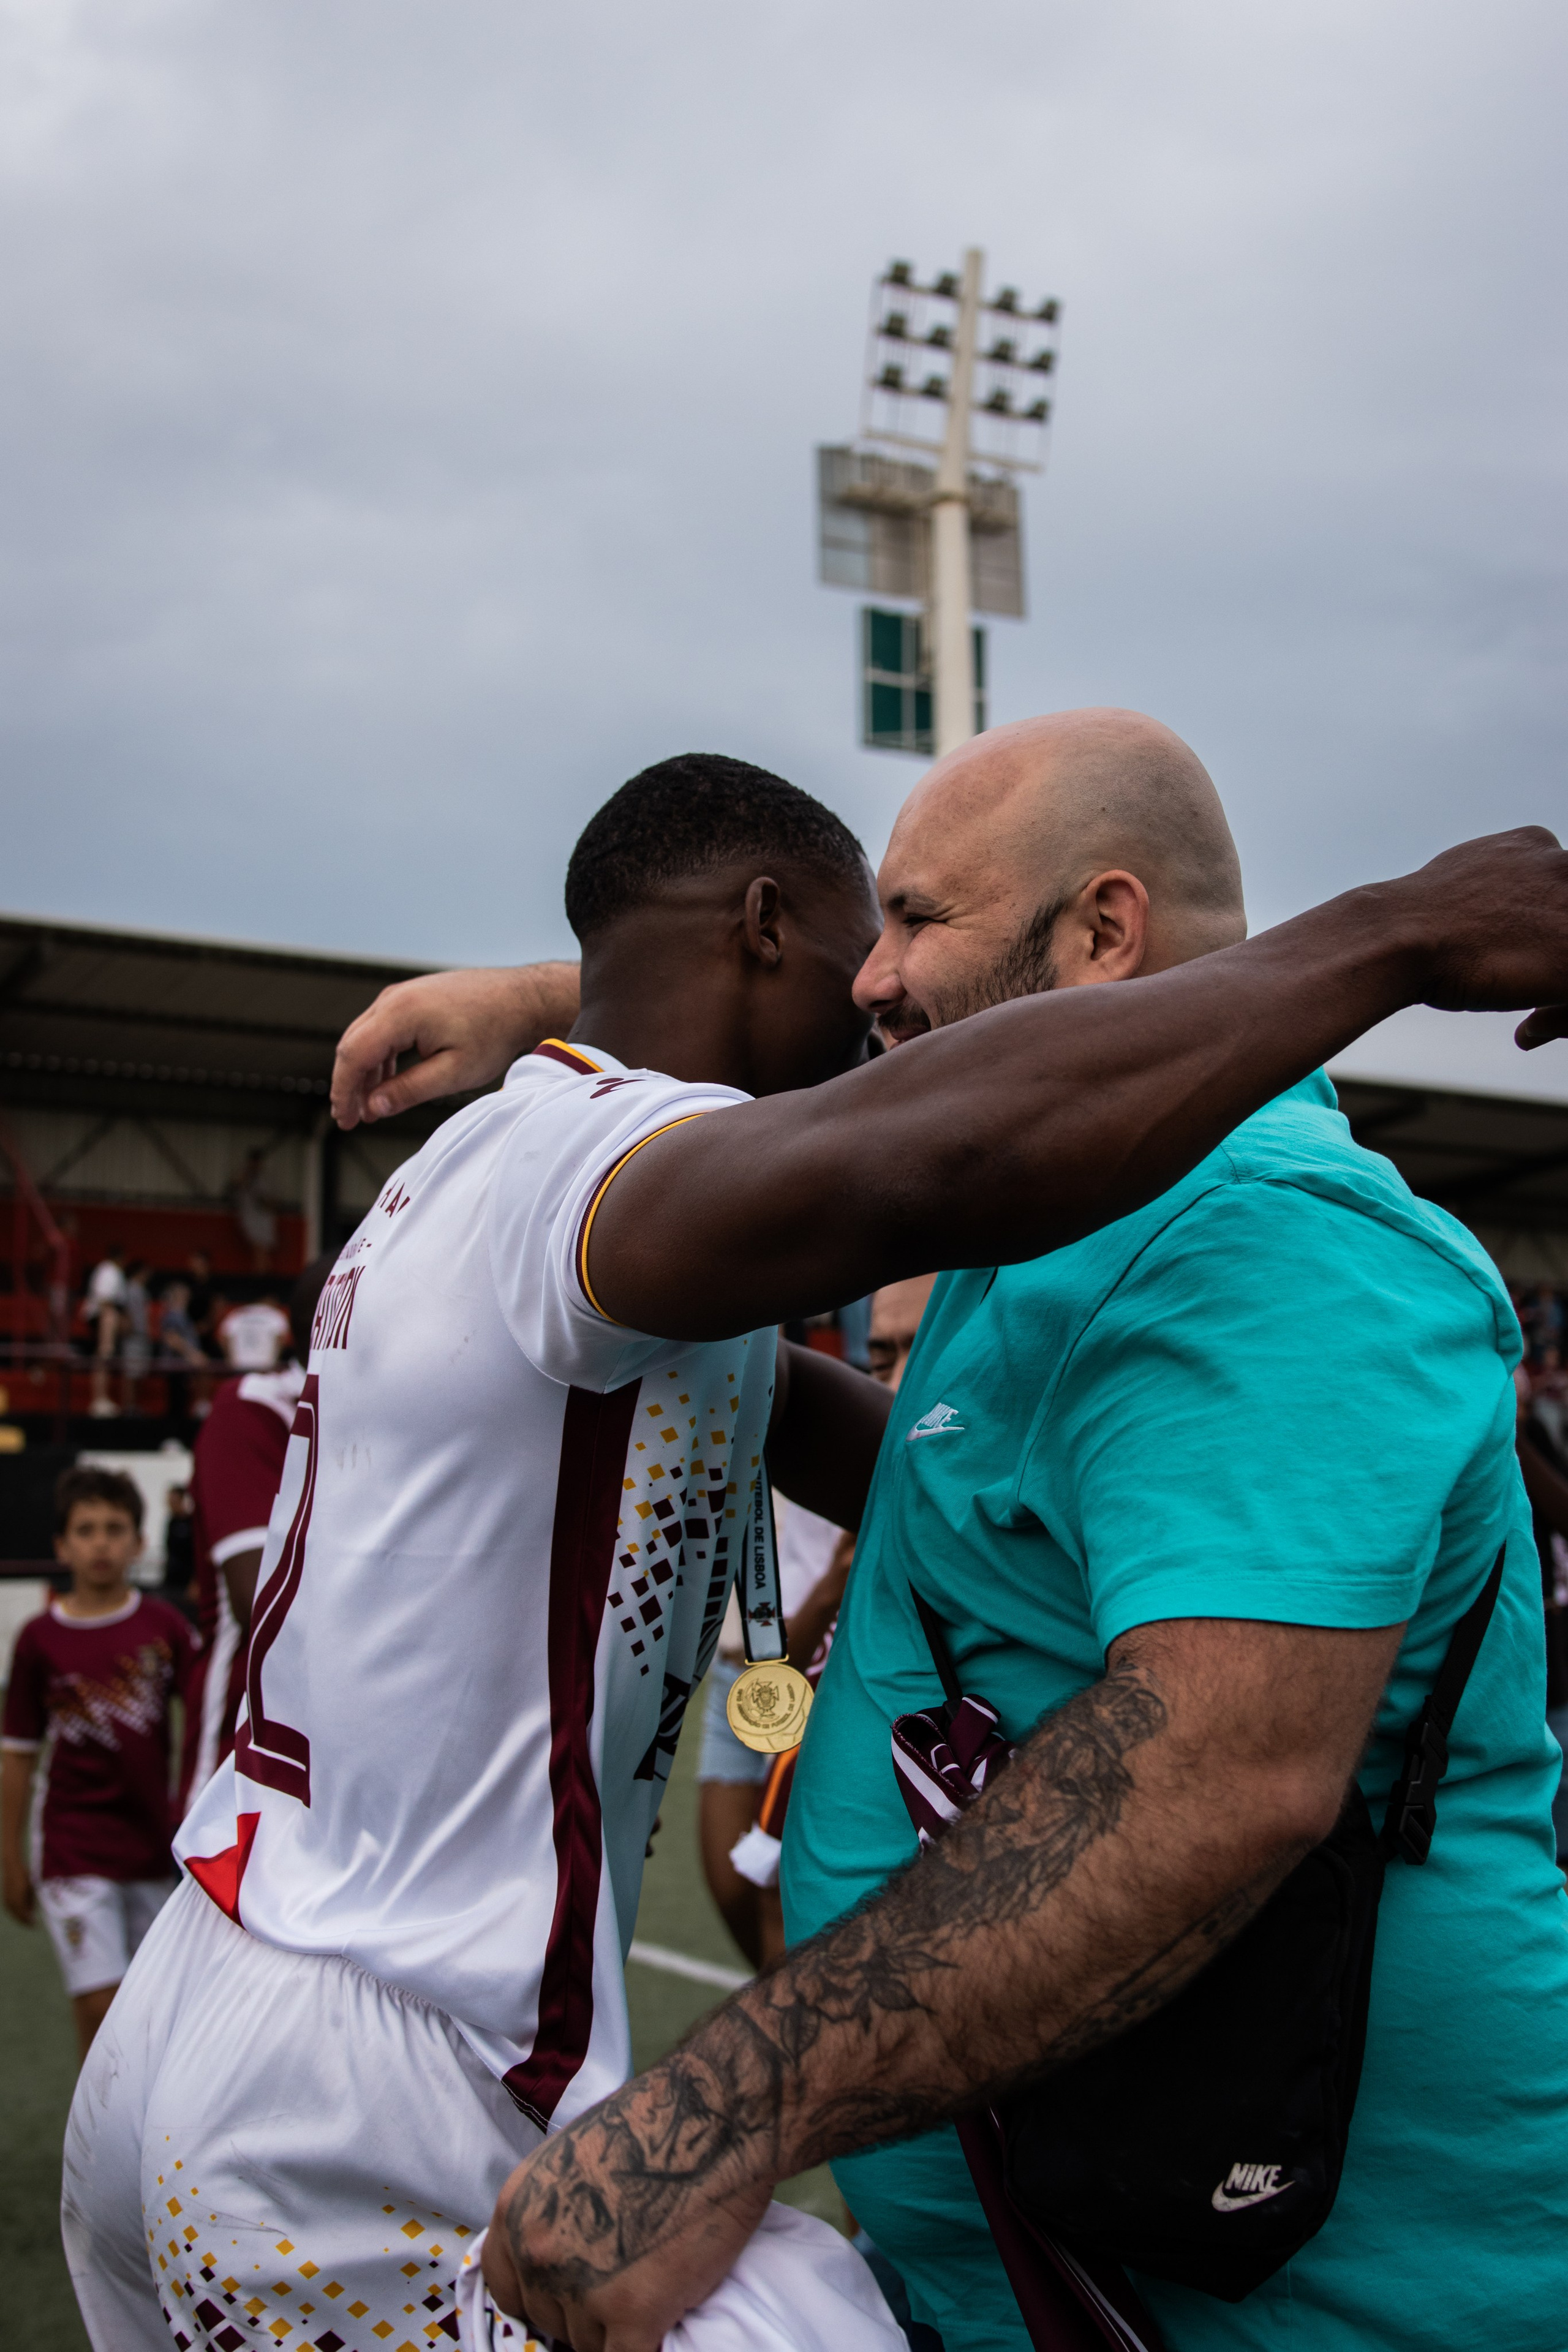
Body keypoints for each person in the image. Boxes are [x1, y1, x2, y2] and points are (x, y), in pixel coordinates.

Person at [74, 740, 1568, 2352]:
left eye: (916, 920)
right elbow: (912, 1177)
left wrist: (716, 2116)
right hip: (415, 2080)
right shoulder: (988, 1221)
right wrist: (573, 1001)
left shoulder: (1270, 1239)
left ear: (1105, 932)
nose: (874, 977)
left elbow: (1208, 1765)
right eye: (861, 931)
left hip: (1286, 2289)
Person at [1, 1467, 199, 2060]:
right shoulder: (39, 1638)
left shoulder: (165, 1628)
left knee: (157, 2009)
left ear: (140, 1543)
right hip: (72, 1848)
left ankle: (150, 2139)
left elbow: (205, 1721)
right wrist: (10, 1856)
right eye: (85, 1530)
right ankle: (101, 2144)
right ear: (62, 1545)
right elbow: (16, 1756)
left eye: (115, 1529)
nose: (101, 1542)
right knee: (99, 2005)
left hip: (153, 1849)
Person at [181, 1256, 336, 1801]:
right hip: (246, 1748)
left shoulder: (395, 1416)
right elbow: (261, 1599)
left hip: (342, 1749)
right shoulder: (252, 1409)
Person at [83, 1245, 127, 1418]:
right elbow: (105, 1301)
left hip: (105, 1317)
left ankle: (101, 1398)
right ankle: (99, 1399)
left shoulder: (107, 1270)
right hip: (104, 1319)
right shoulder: (109, 1271)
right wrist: (119, 1321)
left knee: (105, 1355)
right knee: (104, 1354)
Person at [215, 1286, 292, 1373]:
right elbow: (281, 1339)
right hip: (266, 1369)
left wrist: (231, 1361)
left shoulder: (236, 1314)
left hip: (239, 1368)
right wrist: (274, 1361)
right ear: (268, 1299)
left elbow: (223, 1338)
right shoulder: (276, 1315)